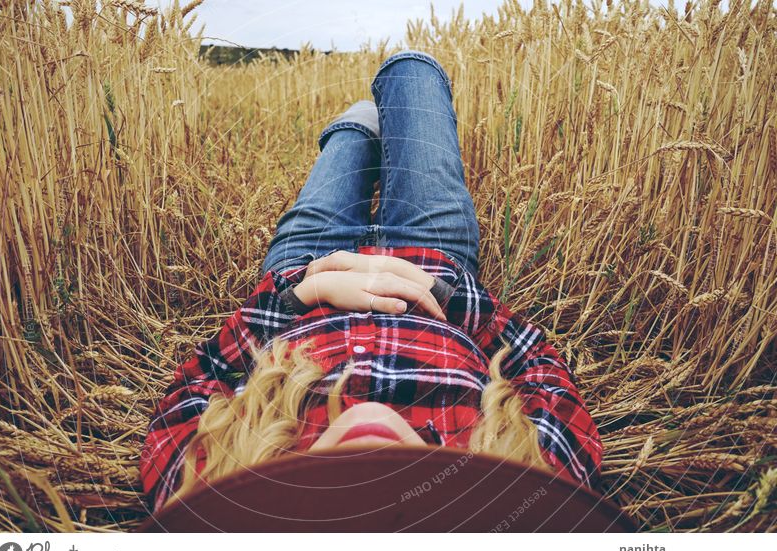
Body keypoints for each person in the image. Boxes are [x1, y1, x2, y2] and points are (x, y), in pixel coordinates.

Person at [139, 50, 603, 515]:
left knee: (352, 135)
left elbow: (198, 383)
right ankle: (375, 125)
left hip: (311, 262)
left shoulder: (208, 503)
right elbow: (541, 370)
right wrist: (448, 297)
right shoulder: (526, 499)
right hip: (431, 256)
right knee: (413, 73)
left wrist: (297, 297)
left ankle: (359, 130)